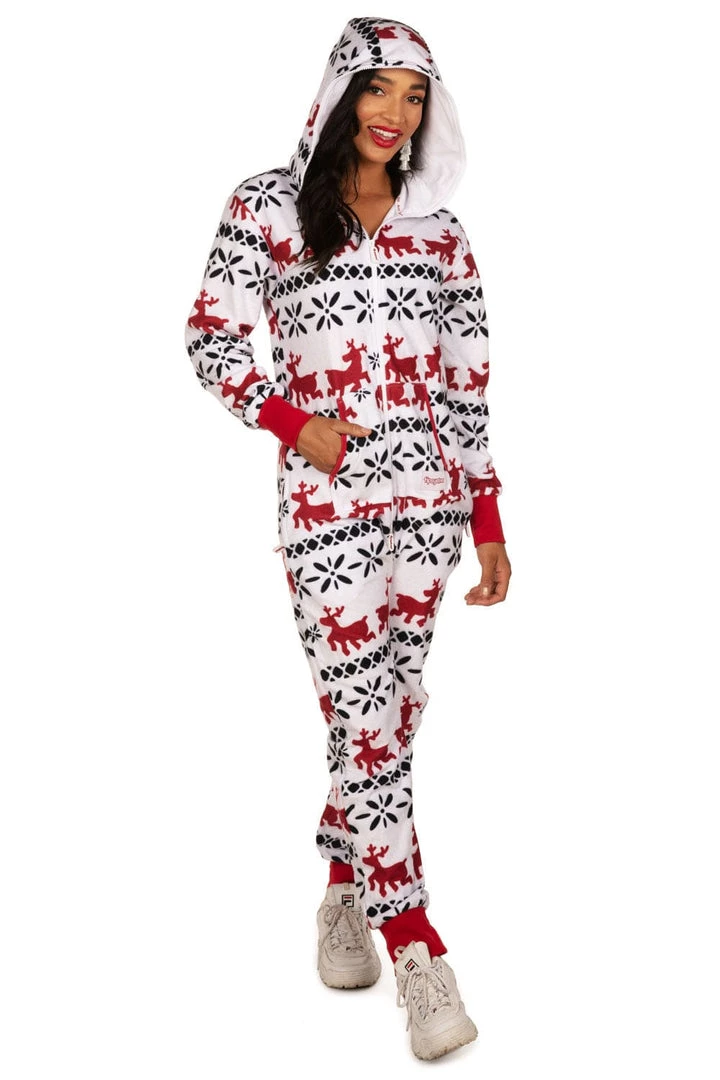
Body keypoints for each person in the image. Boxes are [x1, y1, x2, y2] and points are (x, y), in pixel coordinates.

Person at [185, 16, 511, 1061]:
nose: (396, 114)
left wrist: (488, 514)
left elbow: (467, 382)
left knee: (394, 708)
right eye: (380, 89)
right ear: (340, 93)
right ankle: (418, 945)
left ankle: (342, 887)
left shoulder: (441, 233)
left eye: (416, 96)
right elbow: (210, 336)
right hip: (325, 511)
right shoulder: (266, 207)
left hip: (430, 508)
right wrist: (295, 424)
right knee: (363, 706)